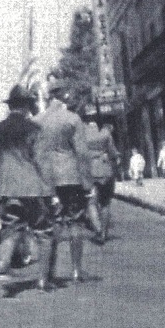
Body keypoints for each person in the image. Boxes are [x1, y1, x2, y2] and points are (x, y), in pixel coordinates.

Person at [0, 84, 55, 295]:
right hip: (33, 188)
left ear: (10, 106)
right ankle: (43, 279)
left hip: (6, 188)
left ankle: (3, 264)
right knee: (43, 232)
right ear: (26, 107)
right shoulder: (35, 129)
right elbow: (42, 162)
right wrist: (51, 192)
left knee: (11, 230)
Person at [35, 90, 94, 285]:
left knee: (49, 225)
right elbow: (82, 154)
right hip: (70, 177)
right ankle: (76, 270)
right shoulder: (72, 119)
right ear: (66, 98)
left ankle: (47, 274)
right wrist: (87, 184)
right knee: (75, 222)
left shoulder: (37, 120)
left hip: (46, 179)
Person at [84, 121, 120, 244]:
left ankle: (98, 229)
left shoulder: (82, 137)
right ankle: (103, 233)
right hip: (106, 171)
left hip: (90, 172)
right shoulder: (105, 135)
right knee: (105, 203)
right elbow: (113, 153)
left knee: (91, 203)